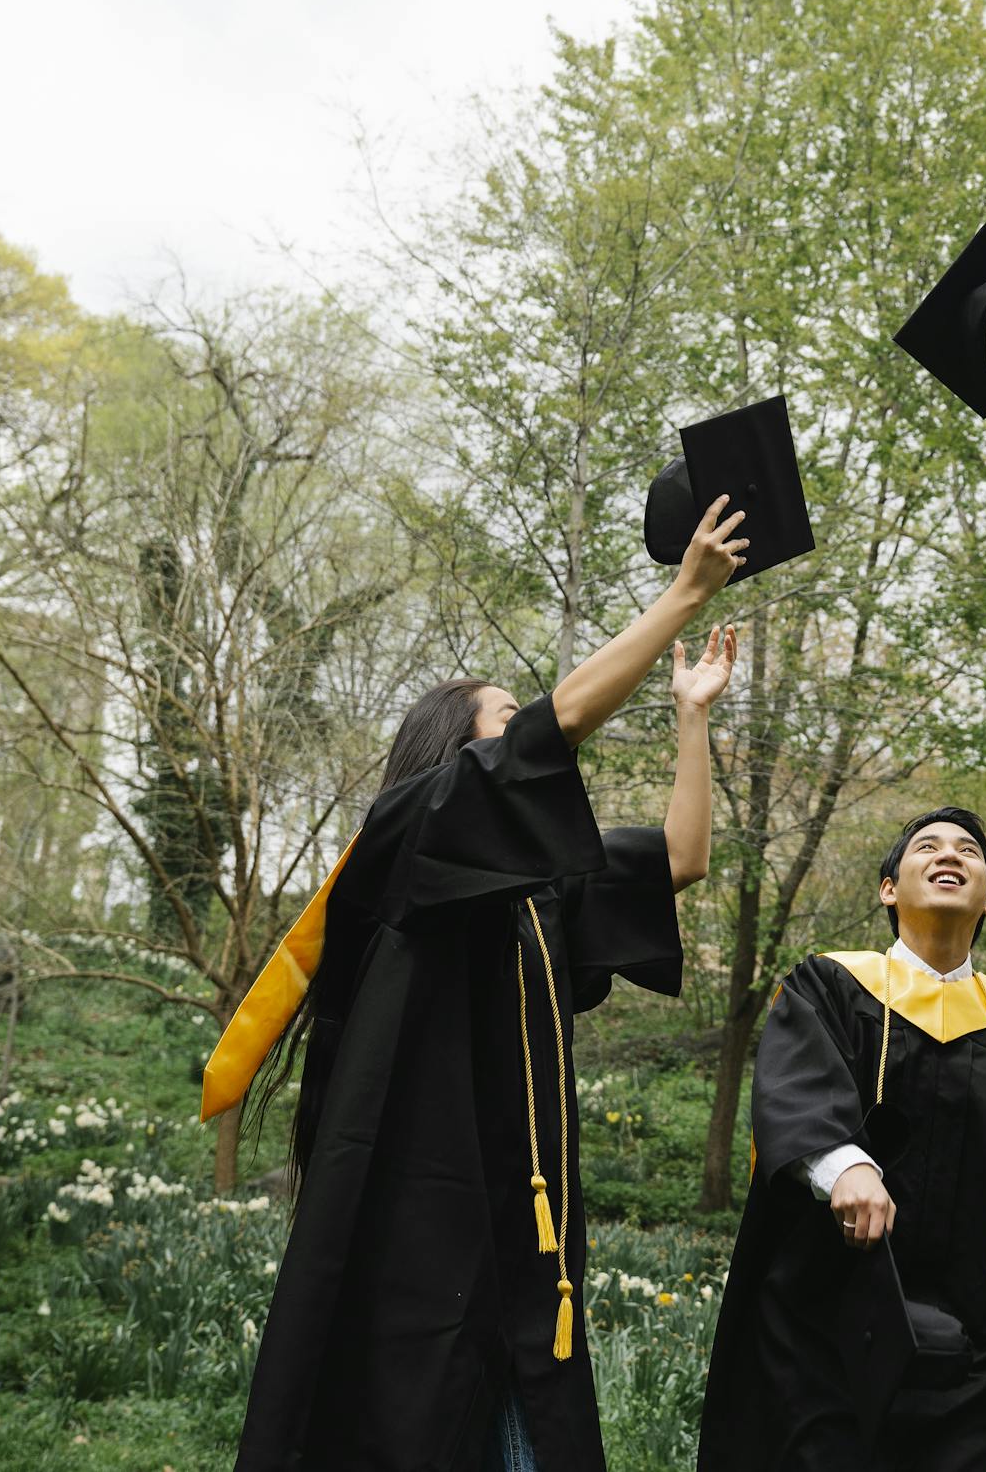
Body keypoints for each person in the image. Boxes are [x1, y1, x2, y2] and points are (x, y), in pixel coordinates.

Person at [208, 496, 746, 1472]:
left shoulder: (531, 897)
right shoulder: (412, 828)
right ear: (457, 751)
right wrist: (680, 596)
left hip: (518, 1252)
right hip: (410, 1247)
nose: (521, 748)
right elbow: (561, 725)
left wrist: (690, 716)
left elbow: (679, 858)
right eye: (500, 727)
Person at [698, 807, 986, 1472]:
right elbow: (796, 1084)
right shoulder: (829, 986)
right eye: (928, 846)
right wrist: (846, 1164)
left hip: (961, 1350)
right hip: (818, 1330)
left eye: (969, 851)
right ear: (888, 888)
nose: (950, 854)